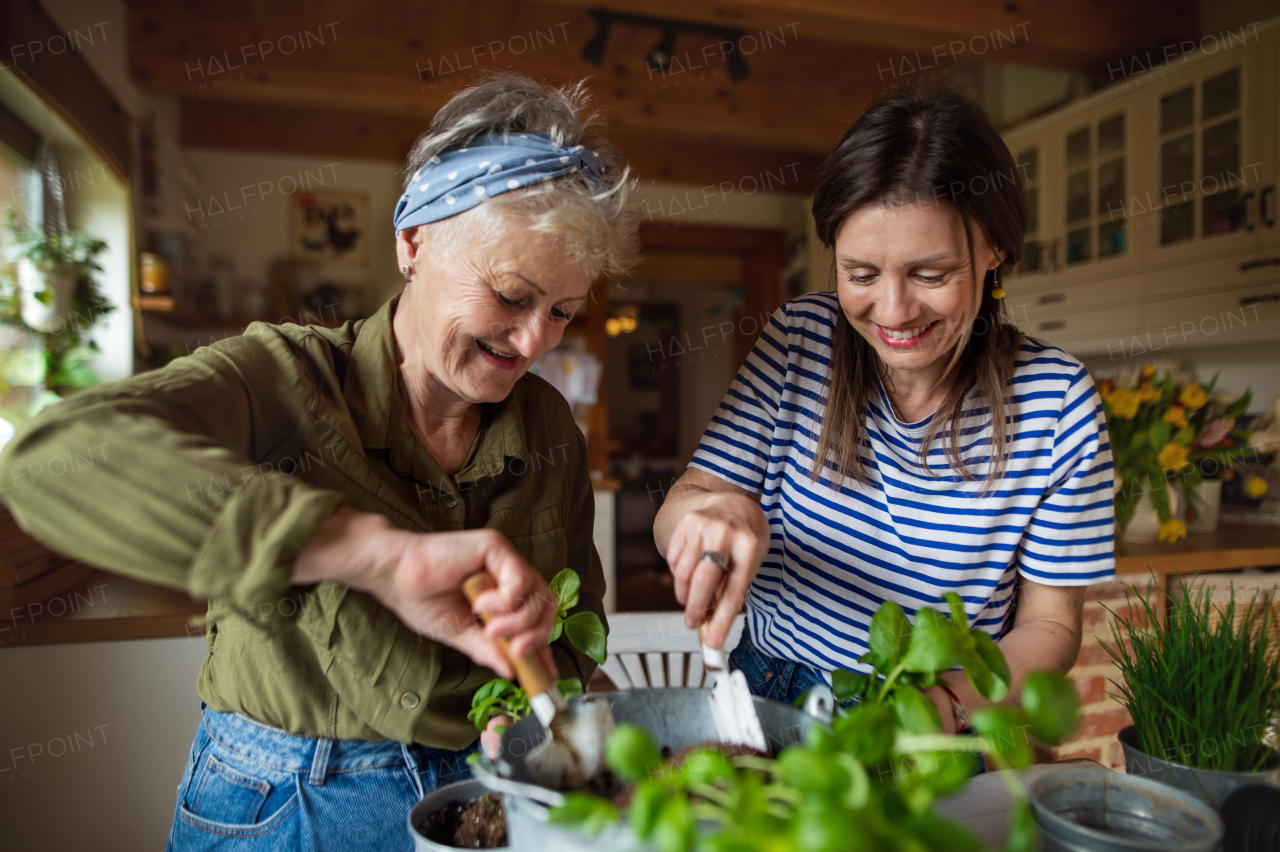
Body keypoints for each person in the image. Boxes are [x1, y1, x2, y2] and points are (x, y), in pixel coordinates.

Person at [0, 72, 639, 850]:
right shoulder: (281, 378)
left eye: (563, 313)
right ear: (413, 242)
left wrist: (525, 704)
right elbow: (54, 460)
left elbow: (574, 634)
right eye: (511, 296)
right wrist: (372, 555)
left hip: (483, 795)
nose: (536, 341)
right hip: (287, 804)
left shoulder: (549, 429)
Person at [654, 88, 1115, 760]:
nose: (893, 311)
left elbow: (1050, 625)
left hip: (944, 719)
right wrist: (707, 514)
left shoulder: (1056, 403)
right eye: (860, 273)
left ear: (995, 250)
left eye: (931, 273)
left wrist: (946, 703)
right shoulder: (797, 341)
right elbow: (683, 505)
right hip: (772, 697)